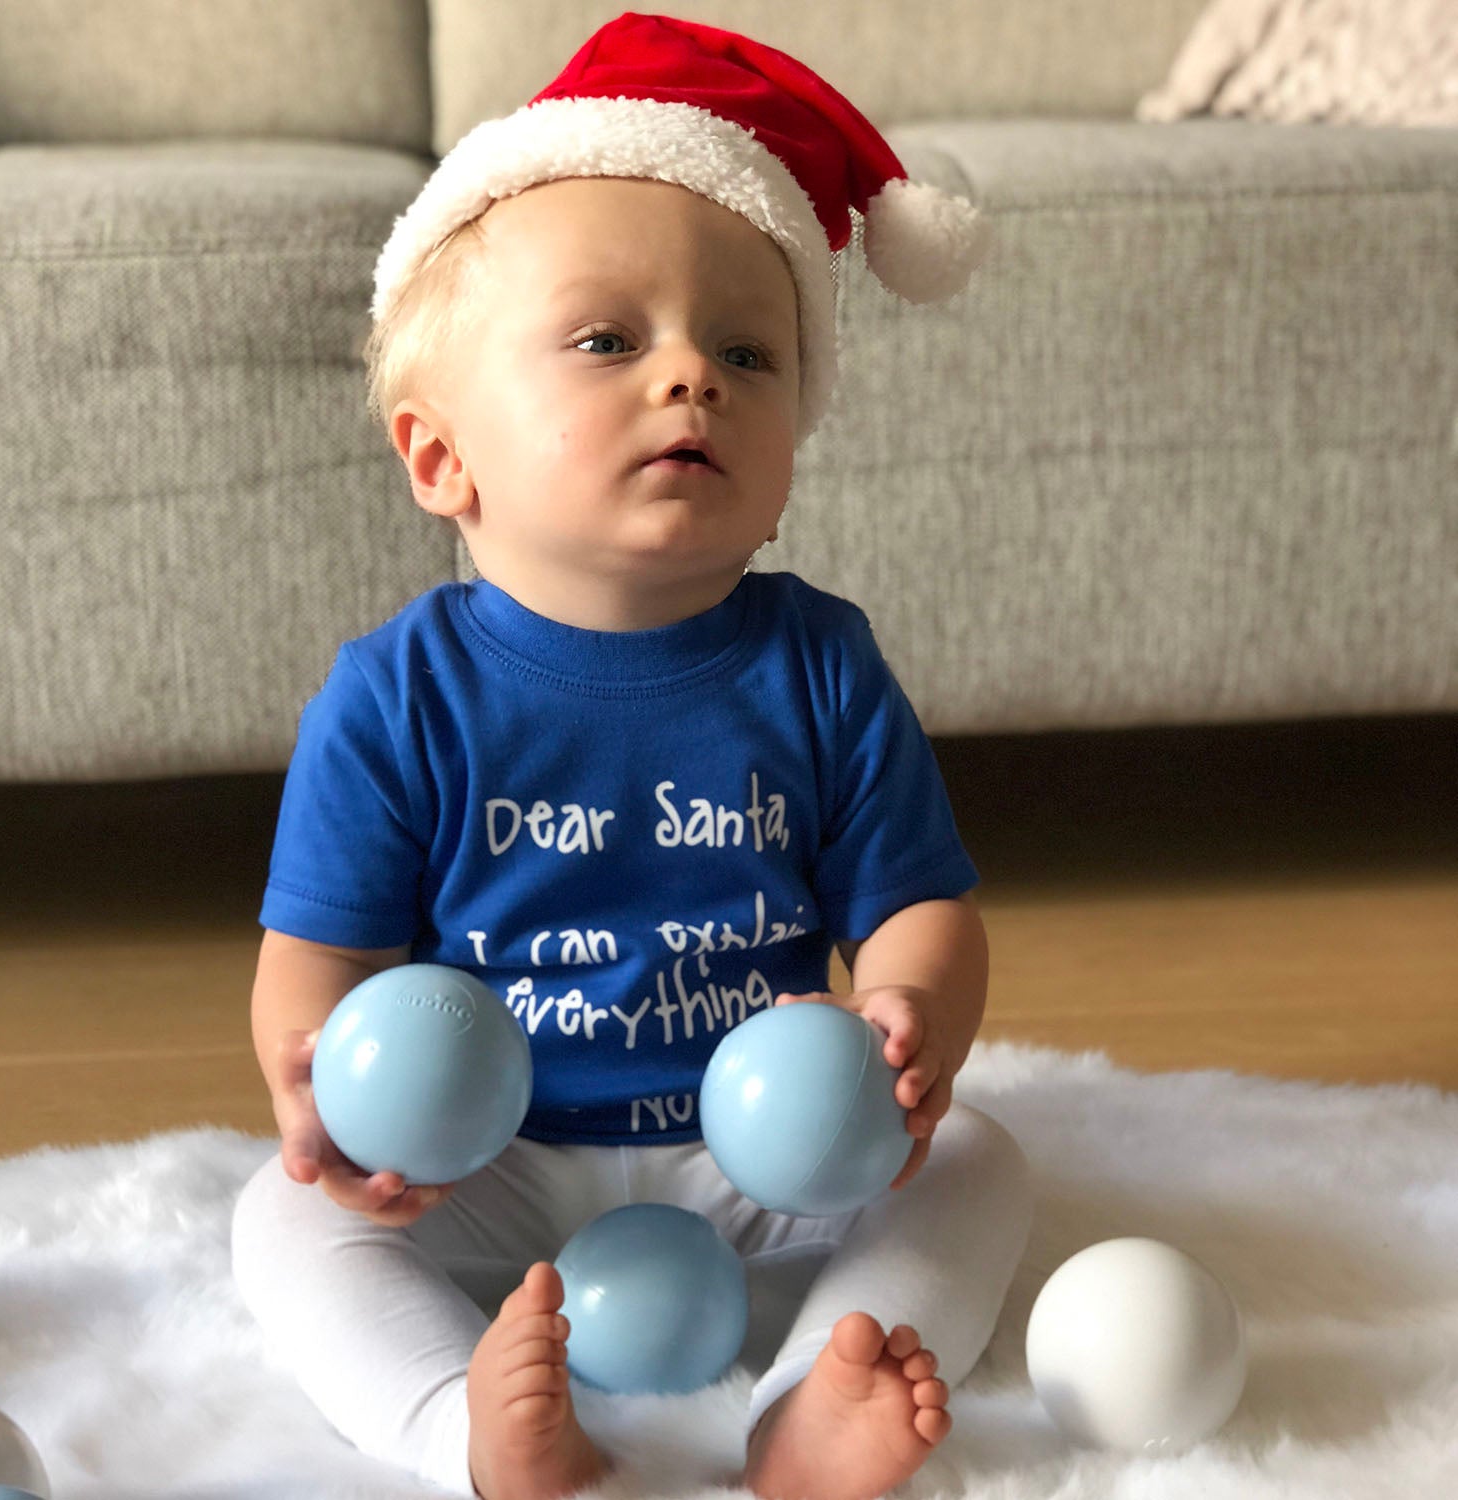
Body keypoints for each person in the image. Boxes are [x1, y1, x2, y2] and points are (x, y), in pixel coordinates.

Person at [231, 14, 1033, 1500]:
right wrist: (318, 1084)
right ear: (440, 458)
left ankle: (807, 1407)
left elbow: (921, 907)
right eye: (609, 340)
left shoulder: (820, 665)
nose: (692, 377)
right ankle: (465, 1433)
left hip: (766, 1160)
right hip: (486, 1157)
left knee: (979, 1161)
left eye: (748, 351)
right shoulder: (395, 696)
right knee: (278, 1223)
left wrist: (913, 1015)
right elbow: (316, 960)